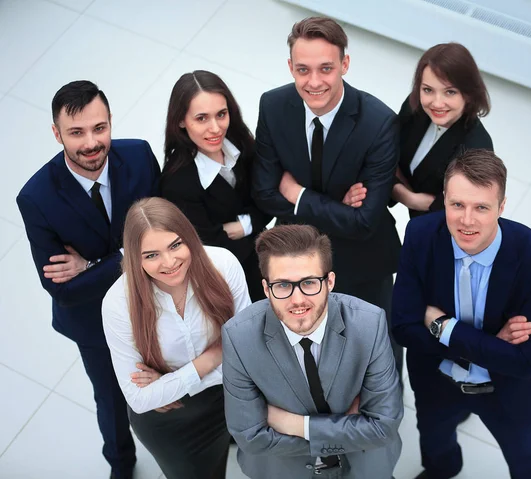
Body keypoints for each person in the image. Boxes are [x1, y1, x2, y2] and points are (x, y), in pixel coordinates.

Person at [16, 80, 160, 479]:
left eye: (99, 128)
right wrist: (132, 257)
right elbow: (62, 290)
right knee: (110, 397)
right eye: (76, 132)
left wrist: (96, 262)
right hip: (91, 319)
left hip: (156, 295)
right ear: (56, 133)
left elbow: (166, 232)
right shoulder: (36, 197)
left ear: (110, 121)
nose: (91, 143)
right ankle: (121, 463)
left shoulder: (140, 155)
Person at [392, 149, 531, 479]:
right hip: (437, 380)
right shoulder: (421, 236)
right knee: (435, 442)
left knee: (527, 458)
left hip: (506, 391)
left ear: (501, 207)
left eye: (481, 207)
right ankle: (444, 469)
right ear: (444, 199)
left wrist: (443, 326)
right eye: (457, 205)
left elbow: (524, 361)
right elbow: (402, 327)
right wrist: (491, 345)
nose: (467, 220)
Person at [252, 16, 403, 371]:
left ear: (345, 64)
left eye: (326, 69)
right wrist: (336, 206)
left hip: (363, 262)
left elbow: (364, 222)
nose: (314, 82)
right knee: (311, 351)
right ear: (290, 66)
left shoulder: (379, 122)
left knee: (378, 351)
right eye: (302, 69)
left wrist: (299, 195)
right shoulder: (273, 106)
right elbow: (264, 193)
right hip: (298, 261)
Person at [222, 224, 403, 479]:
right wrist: (350, 431)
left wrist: (297, 426)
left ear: (330, 281)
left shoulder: (369, 323)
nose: (297, 300)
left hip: (364, 468)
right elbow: (250, 436)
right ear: (265, 289)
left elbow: (383, 426)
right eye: (283, 285)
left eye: (309, 282)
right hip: (282, 471)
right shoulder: (238, 336)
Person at [102, 197, 251, 479]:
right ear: (135, 257)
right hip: (170, 420)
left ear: (189, 237)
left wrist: (169, 382)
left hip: (231, 396)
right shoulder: (118, 304)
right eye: (151, 255)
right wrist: (213, 356)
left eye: (175, 245)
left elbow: (246, 350)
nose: (169, 263)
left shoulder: (223, 265)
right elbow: (139, 399)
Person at [160, 70, 271, 302]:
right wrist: (254, 221)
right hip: (229, 279)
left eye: (221, 114)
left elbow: (269, 200)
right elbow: (211, 247)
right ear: (181, 121)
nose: (215, 128)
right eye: (201, 118)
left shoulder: (240, 141)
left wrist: (242, 226)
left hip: (265, 257)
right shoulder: (176, 182)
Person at [391, 43, 492, 218]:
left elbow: (460, 211)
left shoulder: (477, 149)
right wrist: (407, 197)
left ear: (468, 93)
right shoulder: (414, 107)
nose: (437, 103)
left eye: (450, 92)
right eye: (428, 90)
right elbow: (385, 150)